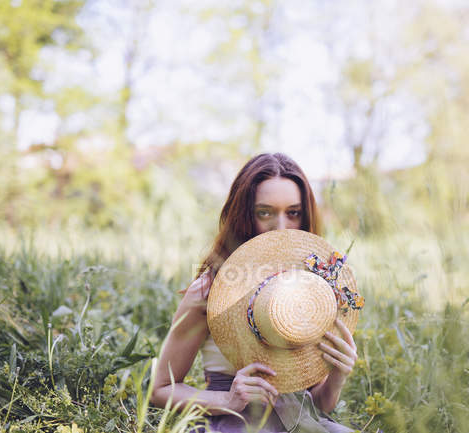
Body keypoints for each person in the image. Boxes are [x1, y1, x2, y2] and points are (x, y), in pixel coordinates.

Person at [150, 153, 358, 432]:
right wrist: (229, 399)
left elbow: (319, 405)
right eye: (265, 212)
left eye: (293, 213)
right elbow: (160, 388)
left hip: (303, 424)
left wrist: (337, 377)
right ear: (244, 216)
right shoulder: (210, 290)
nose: (281, 227)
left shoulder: (314, 289)